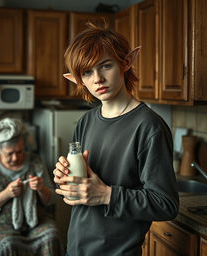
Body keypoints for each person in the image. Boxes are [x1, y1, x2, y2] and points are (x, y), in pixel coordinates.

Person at [53, 22, 179, 256]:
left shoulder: (149, 126)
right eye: (87, 72)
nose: (98, 78)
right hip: (76, 248)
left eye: (106, 65)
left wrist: (106, 194)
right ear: (77, 79)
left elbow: (166, 205)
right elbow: (81, 187)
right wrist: (65, 178)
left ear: (126, 63)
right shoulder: (85, 122)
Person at [0, 118, 64, 256]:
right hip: (0, 225)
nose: (15, 158)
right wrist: (6, 194)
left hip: (37, 221)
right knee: (9, 244)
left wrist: (41, 189)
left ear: (24, 146)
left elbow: (51, 200)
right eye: (9, 153)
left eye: (20, 151)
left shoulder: (36, 162)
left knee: (51, 236)